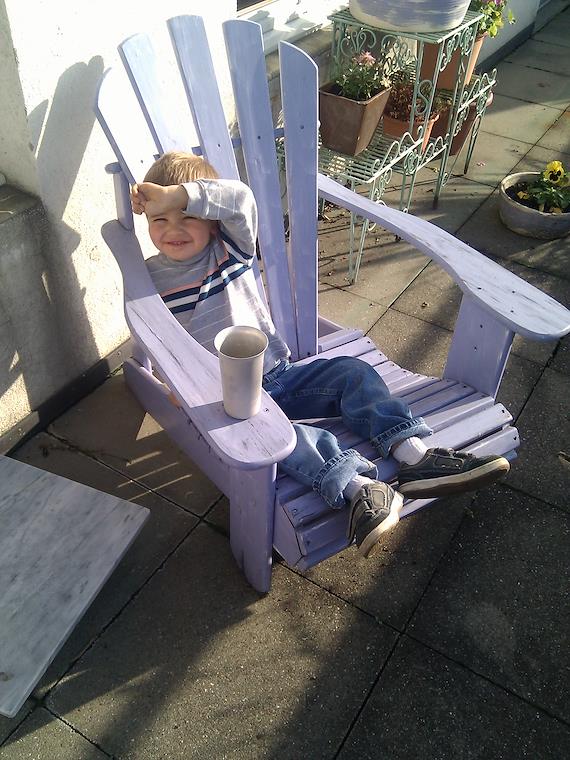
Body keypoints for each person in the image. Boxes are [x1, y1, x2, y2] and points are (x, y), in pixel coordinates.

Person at [131, 151, 510, 559]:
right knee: (283, 439)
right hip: (230, 402)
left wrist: (177, 196)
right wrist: (172, 381)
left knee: (352, 373)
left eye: (187, 216)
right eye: (159, 219)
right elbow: (155, 334)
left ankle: (414, 456)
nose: (173, 229)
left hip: (279, 374)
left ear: (211, 218)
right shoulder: (150, 278)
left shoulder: (231, 249)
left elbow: (240, 199)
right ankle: (362, 490)